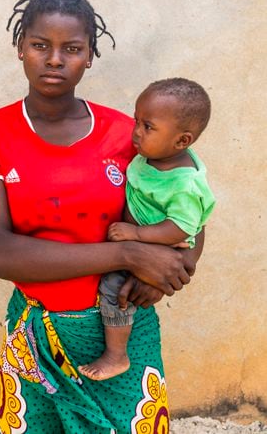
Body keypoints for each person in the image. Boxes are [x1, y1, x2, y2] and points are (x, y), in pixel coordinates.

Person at [0, 0, 204, 434]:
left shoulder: (128, 133)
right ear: (20, 49)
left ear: (90, 56)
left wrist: (175, 266)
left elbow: (190, 203)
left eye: (71, 48)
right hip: (37, 335)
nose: (54, 60)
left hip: (124, 333)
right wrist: (130, 253)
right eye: (39, 45)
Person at [79, 78, 215, 382]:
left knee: (115, 290)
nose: (136, 132)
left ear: (182, 141)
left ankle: (116, 356)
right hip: (138, 239)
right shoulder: (154, 155)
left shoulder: (183, 183)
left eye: (148, 126)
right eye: (136, 120)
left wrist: (136, 236)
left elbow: (183, 227)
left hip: (160, 245)